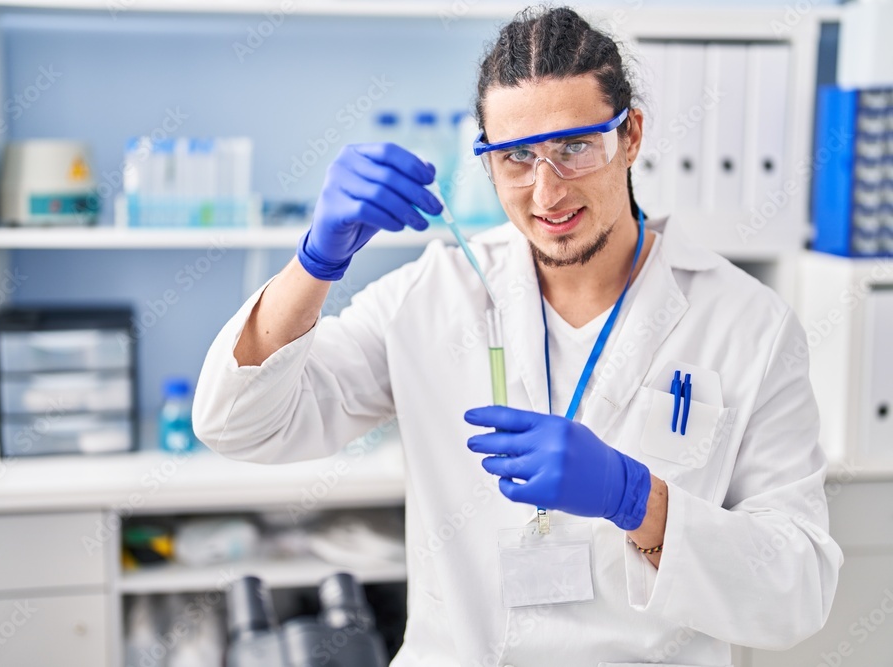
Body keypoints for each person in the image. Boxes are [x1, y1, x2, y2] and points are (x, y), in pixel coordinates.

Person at [193, 6, 842, 665]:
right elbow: (239, 422)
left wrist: (637, 498)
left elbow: (799, 588)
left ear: (632, 135)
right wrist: (316, 261)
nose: (546, 191)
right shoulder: (435, 294)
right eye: (516, 157)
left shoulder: (747, 325)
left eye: (574, 147)